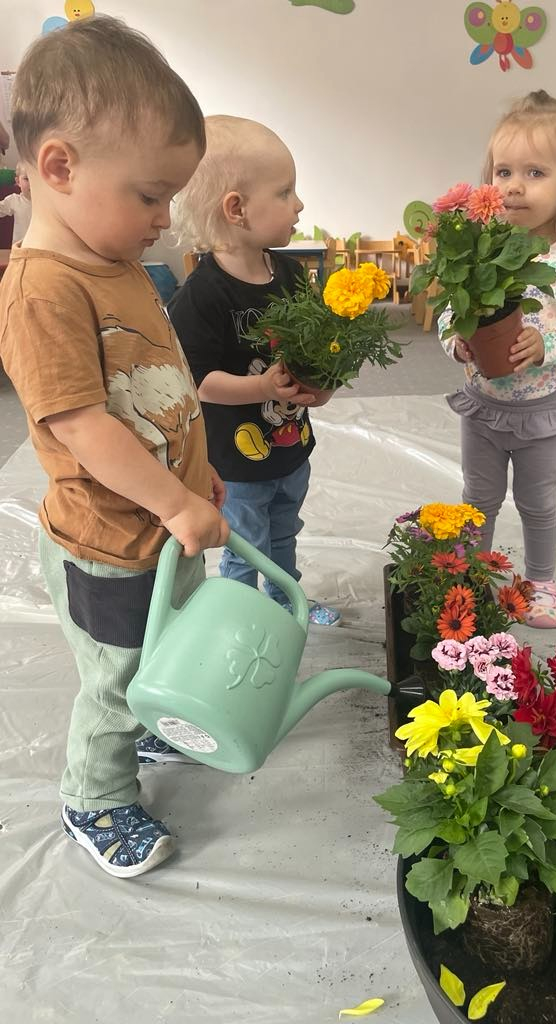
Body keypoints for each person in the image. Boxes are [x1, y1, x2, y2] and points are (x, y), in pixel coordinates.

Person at [0, 15, 229, 877]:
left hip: (166, 524)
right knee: (118, 673)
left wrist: (197, 479)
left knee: (166, 645)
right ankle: (94, 797)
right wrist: (173, 500)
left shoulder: (116, 259)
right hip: (109, 545)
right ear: (59, 167)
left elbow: (161, 381)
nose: (164, 220)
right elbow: (83, 426)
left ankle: (151, 720)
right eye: (150, 196)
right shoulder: (43, 291)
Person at [440, 90, 556, 629]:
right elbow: (451, 310)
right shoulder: (478, 245)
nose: (514, 185)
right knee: (478, 501)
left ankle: (540, 581)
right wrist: (457, 340)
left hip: (542, 411)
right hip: (484, 406)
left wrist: (547, 345)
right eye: (504, 171)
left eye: (535, 173)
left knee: (537, 502)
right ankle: (472, 578)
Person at [168, 115, 341, 628]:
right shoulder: (202, 295)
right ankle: (241, 619)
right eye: (285, 192)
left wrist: (325, 384)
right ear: (237, 209)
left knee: (285, 532)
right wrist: (262, 386)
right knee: (244, 546)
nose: (299, 204)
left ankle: (286, 603)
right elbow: (198, 383)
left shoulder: (289, 273)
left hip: (291, 447)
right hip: (237, 464)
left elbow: (316, 349)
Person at [0, 163, 32, 242]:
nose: (32, 182)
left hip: (43, 247)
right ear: (18, 182)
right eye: (27, 179)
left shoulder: (48, 202)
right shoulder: (14, 200)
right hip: (20, 246)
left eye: (37, 178)